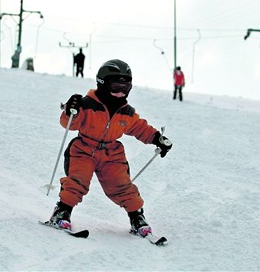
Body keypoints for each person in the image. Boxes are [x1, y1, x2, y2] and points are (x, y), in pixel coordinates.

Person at [48, 59, 173, 237]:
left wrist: (157, 139)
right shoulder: (87, 105)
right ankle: (62, 211)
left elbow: (139, 128)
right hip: (83, 149)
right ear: (103, 84)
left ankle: (137, 217)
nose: (121, 92)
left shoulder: (126, 112)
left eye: (126, 87)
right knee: (77, 181)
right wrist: (70, 110)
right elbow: (69, 124)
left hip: (111, 154)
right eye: (116, 87)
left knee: (122, 186)